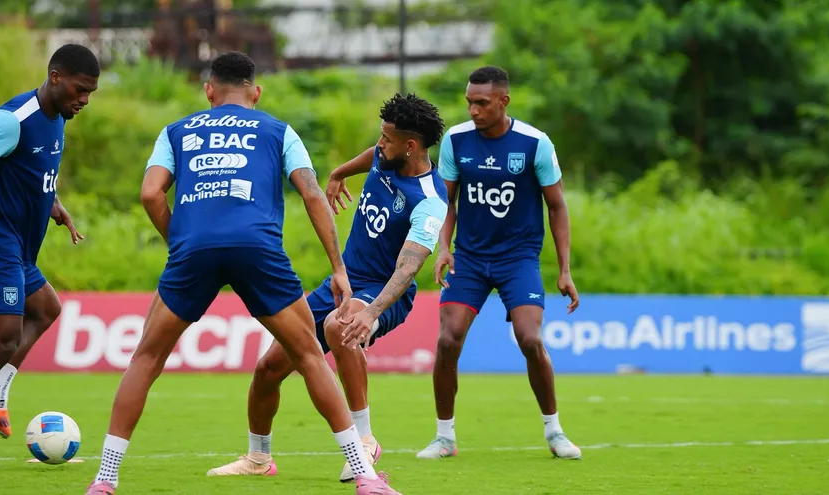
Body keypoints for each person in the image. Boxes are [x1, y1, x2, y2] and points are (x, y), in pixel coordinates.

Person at [83, 51, 400, 495]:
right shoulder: (278, 130)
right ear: (257, 92)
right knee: (309, 355)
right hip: (257, 249)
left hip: (193, 249)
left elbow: (151, 194)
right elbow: (312, 193)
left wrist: (181, 243)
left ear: (208, 91)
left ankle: (105, 478)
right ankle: (364, 474)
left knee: (146, 359)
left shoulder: (175, 131)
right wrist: (337, 267)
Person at [207, 93, 446, 487]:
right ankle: (257, 458)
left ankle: (364, 439)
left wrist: (371, 312)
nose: (379, 144)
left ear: (411, 146)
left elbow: (408, 267)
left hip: (384, 292)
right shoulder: (386, 155)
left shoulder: (430, 202)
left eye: (387, 139)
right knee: (268, 369)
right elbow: (371, 155)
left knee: (341, 325)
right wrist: (338, 173)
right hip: (344, 283)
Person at [415, 66, 582, 460]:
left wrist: (564, 269)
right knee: (448, 339)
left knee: (530, 339)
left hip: (518, 259)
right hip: (470, 259)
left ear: (504, 101)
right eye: (469, 102)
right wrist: (444, 247)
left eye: (482, 103)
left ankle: (555, 431)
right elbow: (446, 201)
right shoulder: (456, 141)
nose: (473, 110)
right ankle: (444, 437)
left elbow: (557, 207)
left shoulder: (535, 144)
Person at [0, 44, 99, 473]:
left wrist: (53, 204)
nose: (85, 100)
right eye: (80, 89)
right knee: (1, 341)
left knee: (45, 309)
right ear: (56, 77)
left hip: (18, 249)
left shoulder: (57, 117)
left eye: (91, 93)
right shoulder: (13, 119)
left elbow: (30, 170)